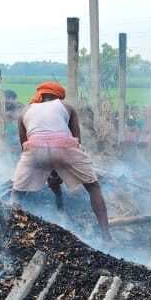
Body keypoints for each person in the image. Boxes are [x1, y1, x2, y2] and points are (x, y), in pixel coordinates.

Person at [12, 81, 112, 241]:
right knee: (93, 187)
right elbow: (76, 140)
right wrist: (61, 163)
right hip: (64, 148)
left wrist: (47, 165)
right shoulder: (67, 106)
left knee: (17, 193)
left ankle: (12, 230)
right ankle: (106, 237)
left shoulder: (25, 110)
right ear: (58, 96)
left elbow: (24, 144)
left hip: (35, 150)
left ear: (40, 95)